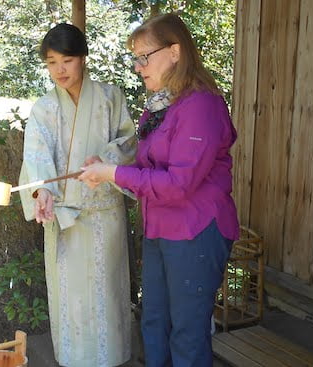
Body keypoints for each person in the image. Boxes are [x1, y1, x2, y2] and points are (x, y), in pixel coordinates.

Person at [78, 13, 239, 367]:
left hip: (195, 231)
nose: (138, 67)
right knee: (153, 321)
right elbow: (149, 167)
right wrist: (103, 169)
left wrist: (114, 174)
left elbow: (179, 184)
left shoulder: (201, 106)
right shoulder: (161, 106)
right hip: (160, 229)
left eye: (144, 57)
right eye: (135, 58)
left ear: (176, 51)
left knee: (187, 332)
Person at [18, 23, 137, 367]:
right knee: (71, 300)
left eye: (67, 60)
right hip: (65, 218)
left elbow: (129, 142)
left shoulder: (110, 97)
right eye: (51, 62)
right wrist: (43, 193)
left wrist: (107, 163)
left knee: (107, 295)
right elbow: (36, 157)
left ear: (83, 58)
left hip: (104, 216)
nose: (59, 70)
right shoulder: (43, 109)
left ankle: (113, 359)